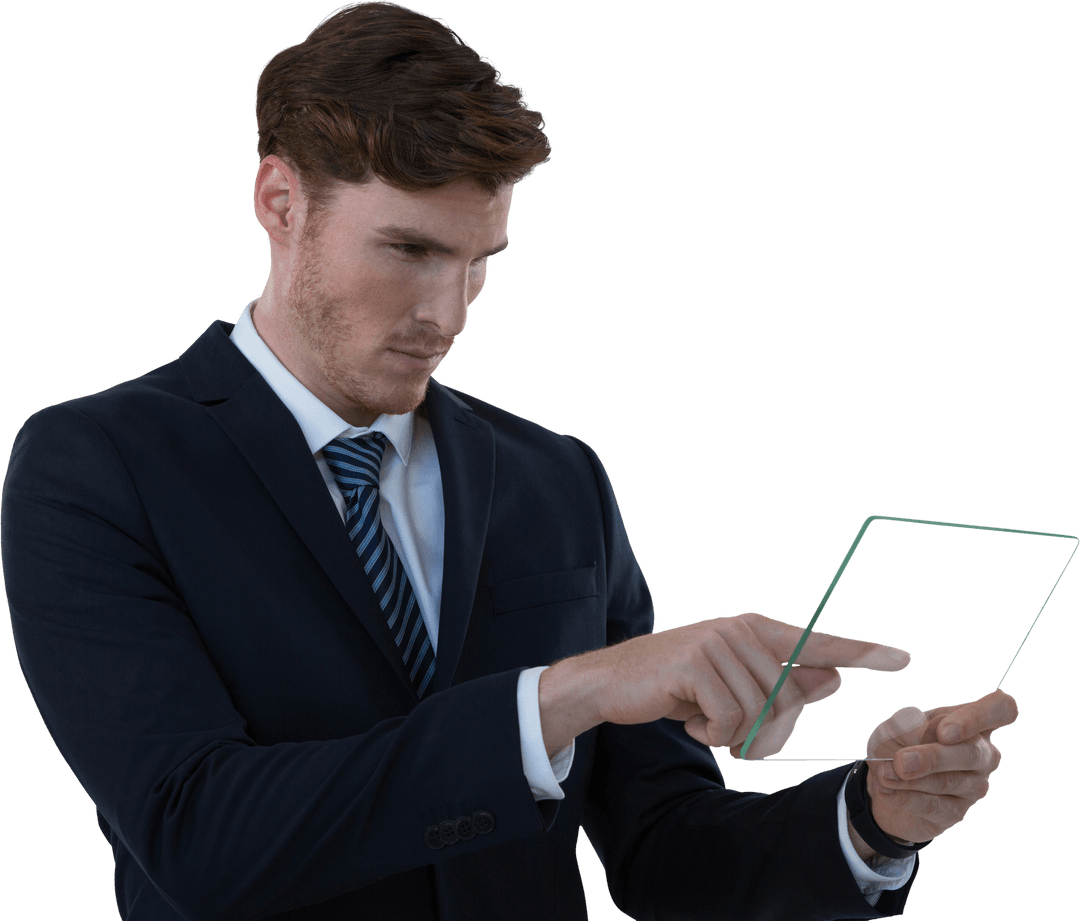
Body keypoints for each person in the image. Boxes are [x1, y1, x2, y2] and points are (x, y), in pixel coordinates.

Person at [1, 3, 1017, 919]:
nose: (446, 314)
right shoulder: (98, 466)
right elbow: (198, 837)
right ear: (280, 201)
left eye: (478, 261)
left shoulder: (558, 480)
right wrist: (566, 695)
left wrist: (870, 821)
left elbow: (665, 848)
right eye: (409, 250)